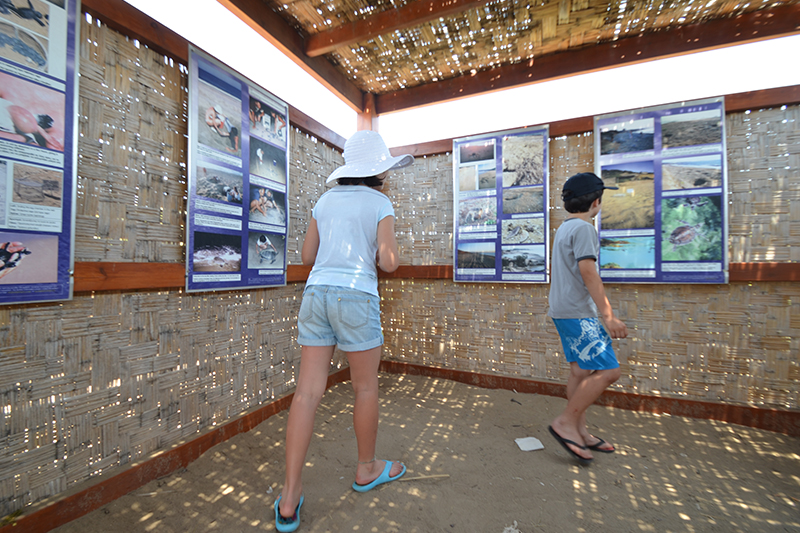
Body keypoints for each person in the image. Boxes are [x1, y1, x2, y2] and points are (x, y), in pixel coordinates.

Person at [274, 131, 414, 532]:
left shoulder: (324, 200)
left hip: (316, 293)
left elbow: (307, 257)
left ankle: (289, 495)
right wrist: (380, 247)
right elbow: (388, 263)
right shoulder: (380, 202)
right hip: (356, 297)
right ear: (377, 170)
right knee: (365, 388)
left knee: (306, 393)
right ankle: (367, 468)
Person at [547, 172, 628, 465]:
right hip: (579, 313)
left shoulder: (565, 228)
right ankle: (566, 422)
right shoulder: (584, 230)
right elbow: (588, 272)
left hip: (563, 309)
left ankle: (579, 430)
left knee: (580, 372)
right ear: (597, 202)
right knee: (610, 371)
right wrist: (609, 316)